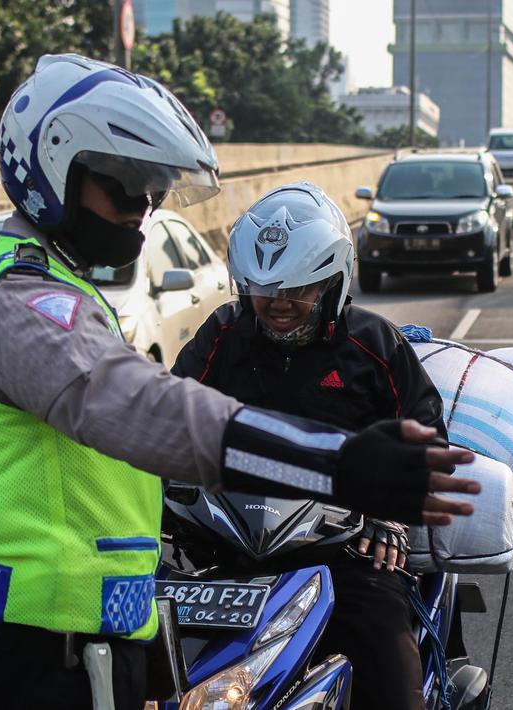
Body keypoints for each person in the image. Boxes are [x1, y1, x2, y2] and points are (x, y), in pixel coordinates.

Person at [0, 54, 478, 710]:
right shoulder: (28, 304)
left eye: (154, 189)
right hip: (36, 652)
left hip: (80, 635)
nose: (145, 207)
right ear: (56, 169)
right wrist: (337, 463)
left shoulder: (55, 288)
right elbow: (153, 412)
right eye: (125, 187)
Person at [171, 182, 443, 710]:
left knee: (390, 675)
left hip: (344, 549)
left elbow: (426, 440)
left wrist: (389, 517)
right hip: (223, 549)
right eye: (263, 289)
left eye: (300, 289)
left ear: (334, 281)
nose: (279, 304)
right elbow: (167, 417)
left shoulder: (376, 345)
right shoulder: (222, 336)